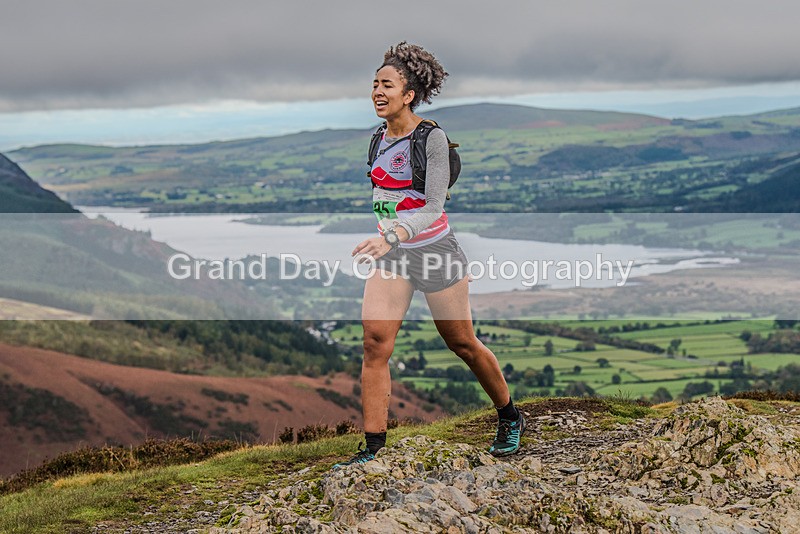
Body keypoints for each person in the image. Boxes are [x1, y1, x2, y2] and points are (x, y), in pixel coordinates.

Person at [333, 42, 525, 468]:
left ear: (409, 94)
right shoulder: (378, 139)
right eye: (375, 84)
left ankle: (510, 416)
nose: (377, 91)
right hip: (393, 256)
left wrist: (394, 234)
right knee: (374, 343)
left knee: (462, 343)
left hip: (435, 252)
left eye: (387, 85)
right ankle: (373, 448)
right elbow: (388, 197)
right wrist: (388, 238)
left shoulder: (431, 138)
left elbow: (433, 206)